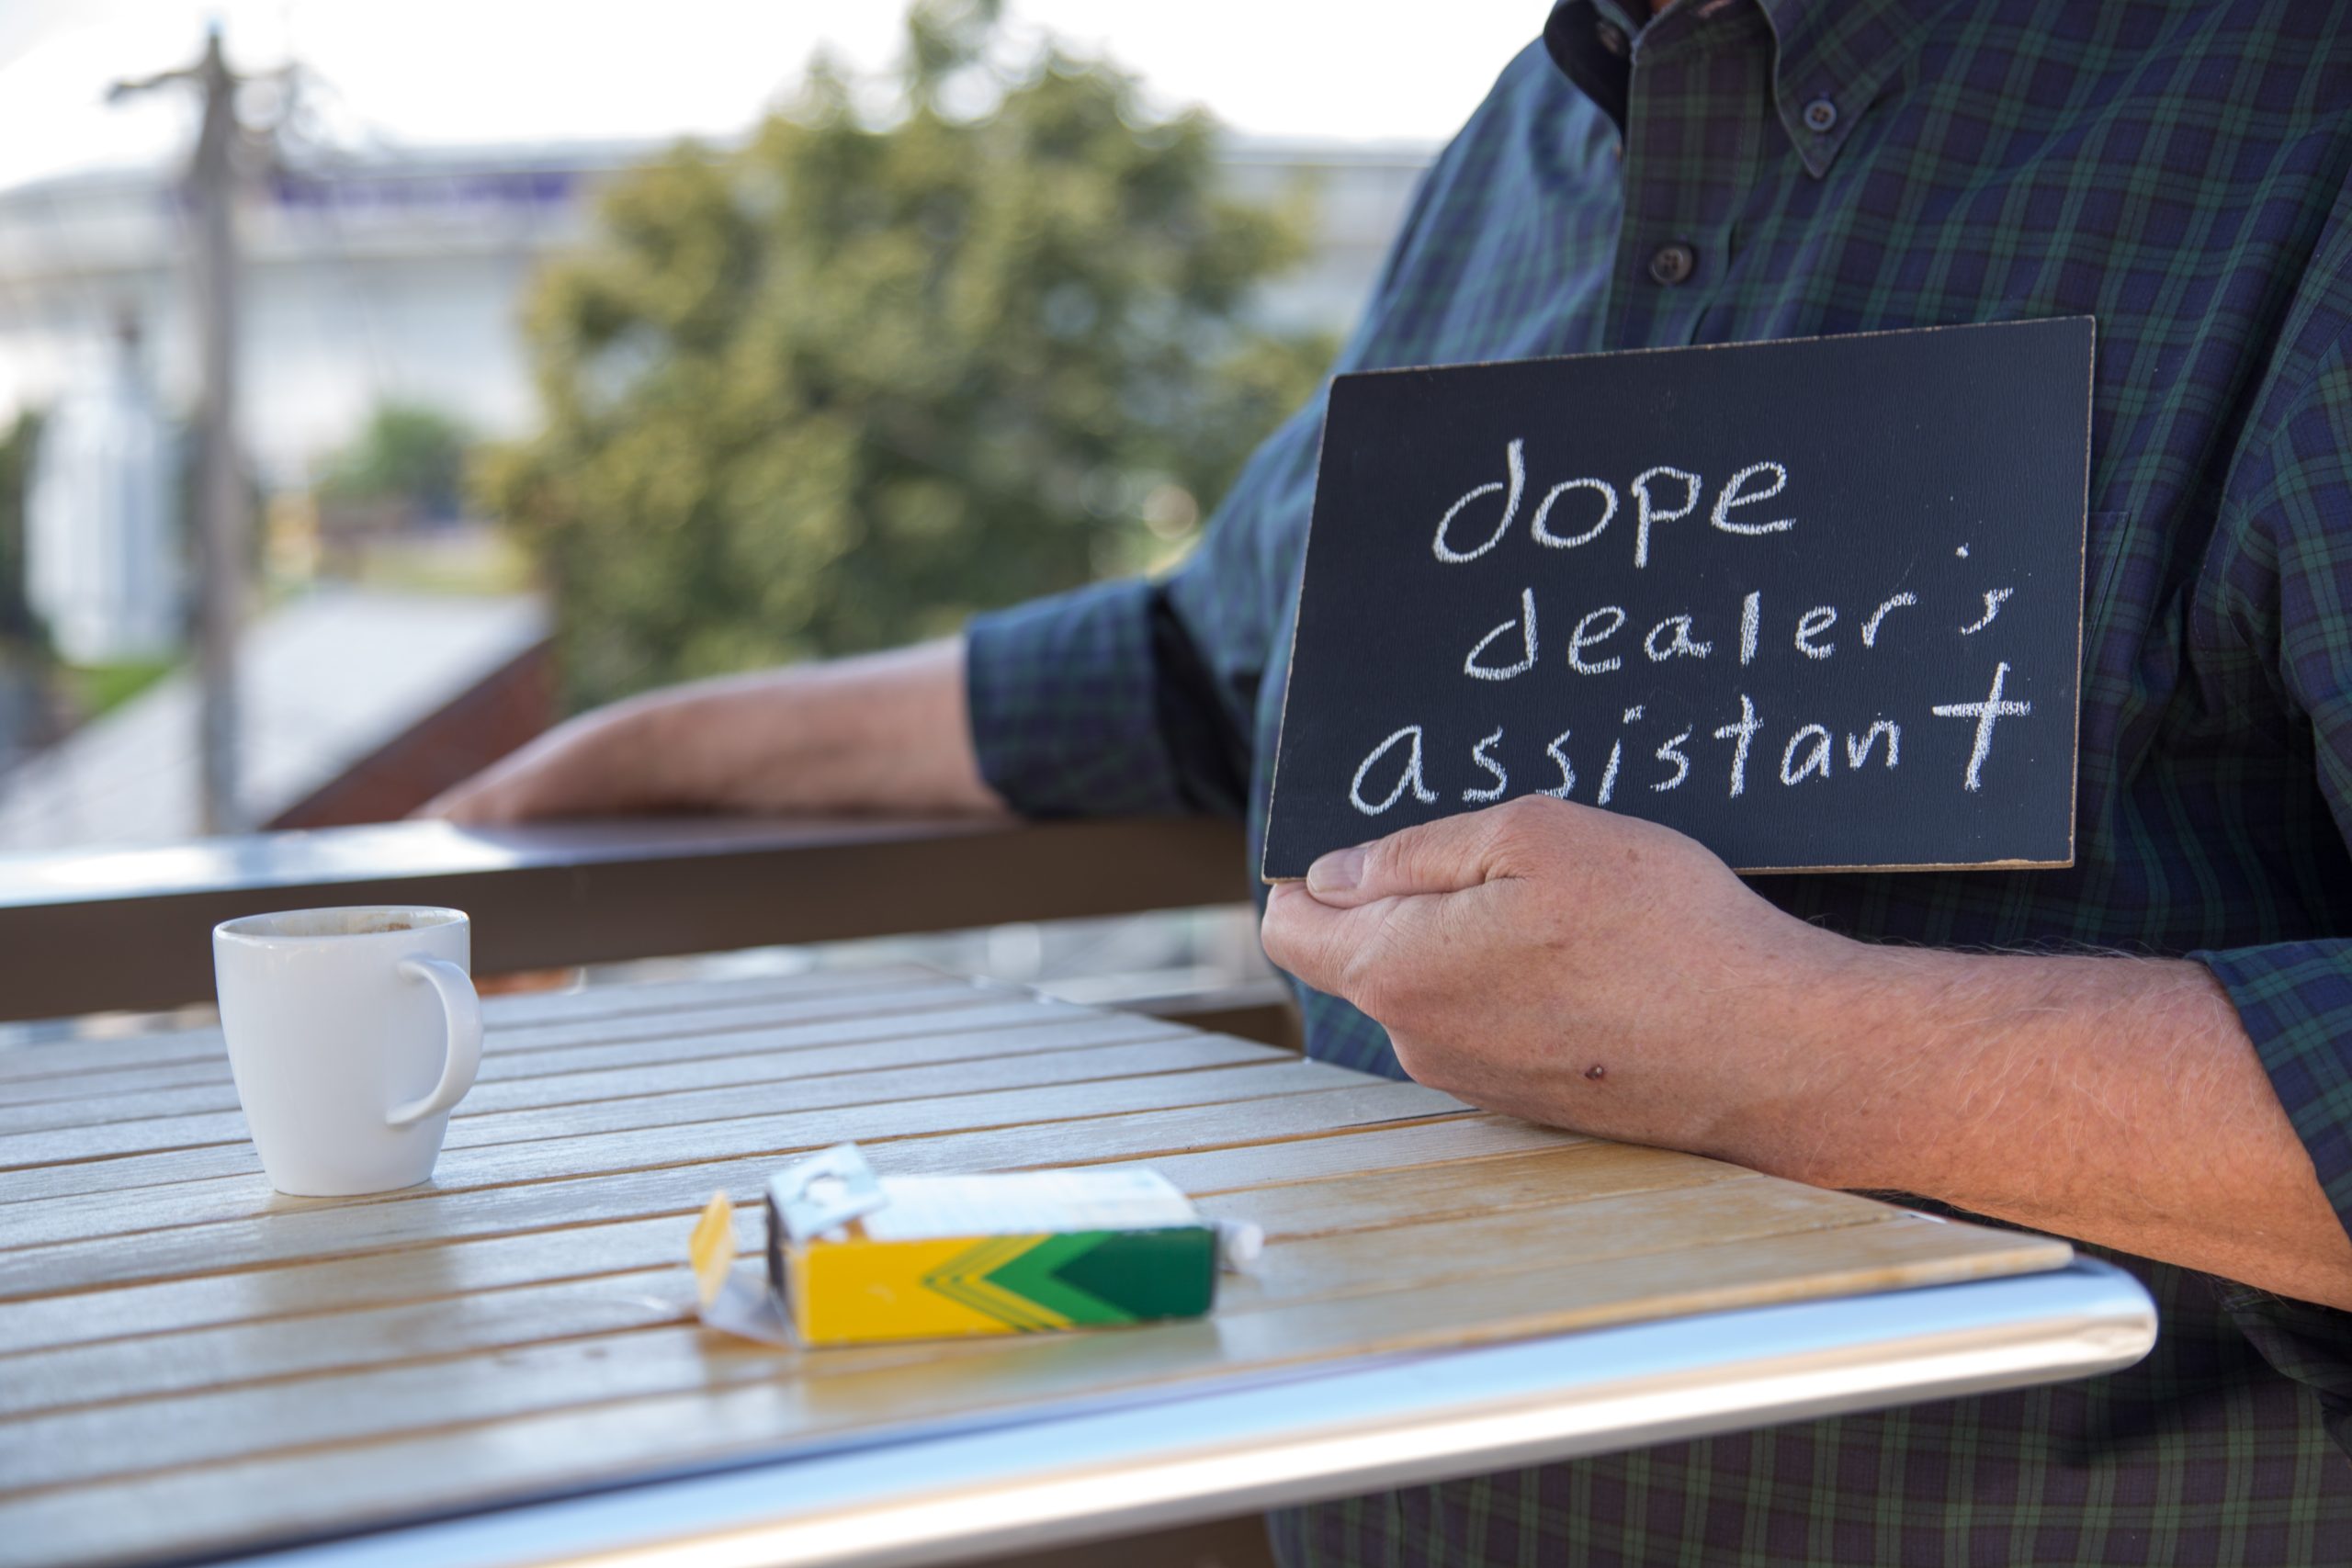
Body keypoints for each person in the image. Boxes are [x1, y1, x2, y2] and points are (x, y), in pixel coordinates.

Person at [431, 0, 2352, 1561]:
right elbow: (1210, 660)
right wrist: (621, 763)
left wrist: (1788, 1046)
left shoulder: (2287, 109)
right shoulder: (1528, 137)